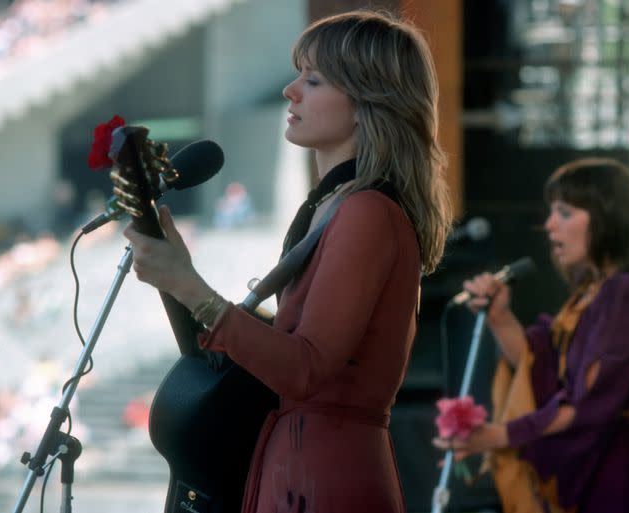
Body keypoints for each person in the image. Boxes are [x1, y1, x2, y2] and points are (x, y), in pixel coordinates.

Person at [123, 10, 452, 513]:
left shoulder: (367, 212)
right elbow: (253, 353)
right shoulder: (335, 206)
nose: (289, 91)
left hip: (323, 478)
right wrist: (179, 275)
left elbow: (305, 369)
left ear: (367, 103)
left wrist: (192, 288)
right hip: (297, 465)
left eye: (313, 79)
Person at [434, 158, 629, 513]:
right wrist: (499, 317)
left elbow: (585, 403)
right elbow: (542, 370)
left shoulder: (627, 292)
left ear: (607, 219)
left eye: (565, 212)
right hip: (604, 478)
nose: (549, 224)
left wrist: (496, 437)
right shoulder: (594, 295)